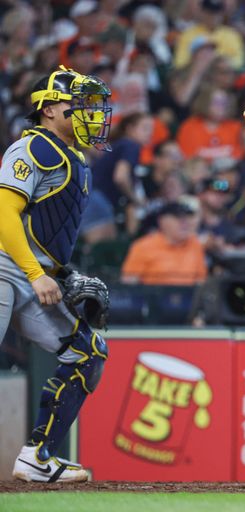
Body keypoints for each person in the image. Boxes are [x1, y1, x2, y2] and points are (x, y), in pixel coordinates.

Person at [0, 67, 113, 482]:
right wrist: (35, 273)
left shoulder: (74, 157)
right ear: (48, 109)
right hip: (5, 267)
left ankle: (38, 457)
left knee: (88, 352)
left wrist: (61, 274)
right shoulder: (33, 148)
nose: (92, 114)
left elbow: (44, 232)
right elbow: (3, 215)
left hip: (32, 275)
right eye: (80, 104)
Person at [120, 201, 208, 286]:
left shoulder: (195, 244)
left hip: (188, 299)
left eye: (186, 217)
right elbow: (129, 283)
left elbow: (200, 281)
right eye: (178, 218)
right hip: (153, 299)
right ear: (162, 221)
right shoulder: (143, 246)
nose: (184, 222)